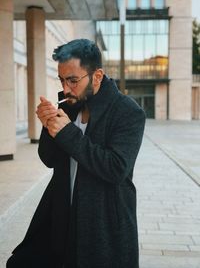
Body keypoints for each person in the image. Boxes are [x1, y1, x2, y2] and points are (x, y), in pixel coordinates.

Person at [7, 39, 145, 268]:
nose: (65, 88)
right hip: (62, 215)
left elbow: (116, 168)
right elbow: (49, 159)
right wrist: (48, 126)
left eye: (72, 80)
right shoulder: (68, 104)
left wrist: (67, 133)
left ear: (97, 76)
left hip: (103, 224)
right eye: (61, 79)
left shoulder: (128, 112)